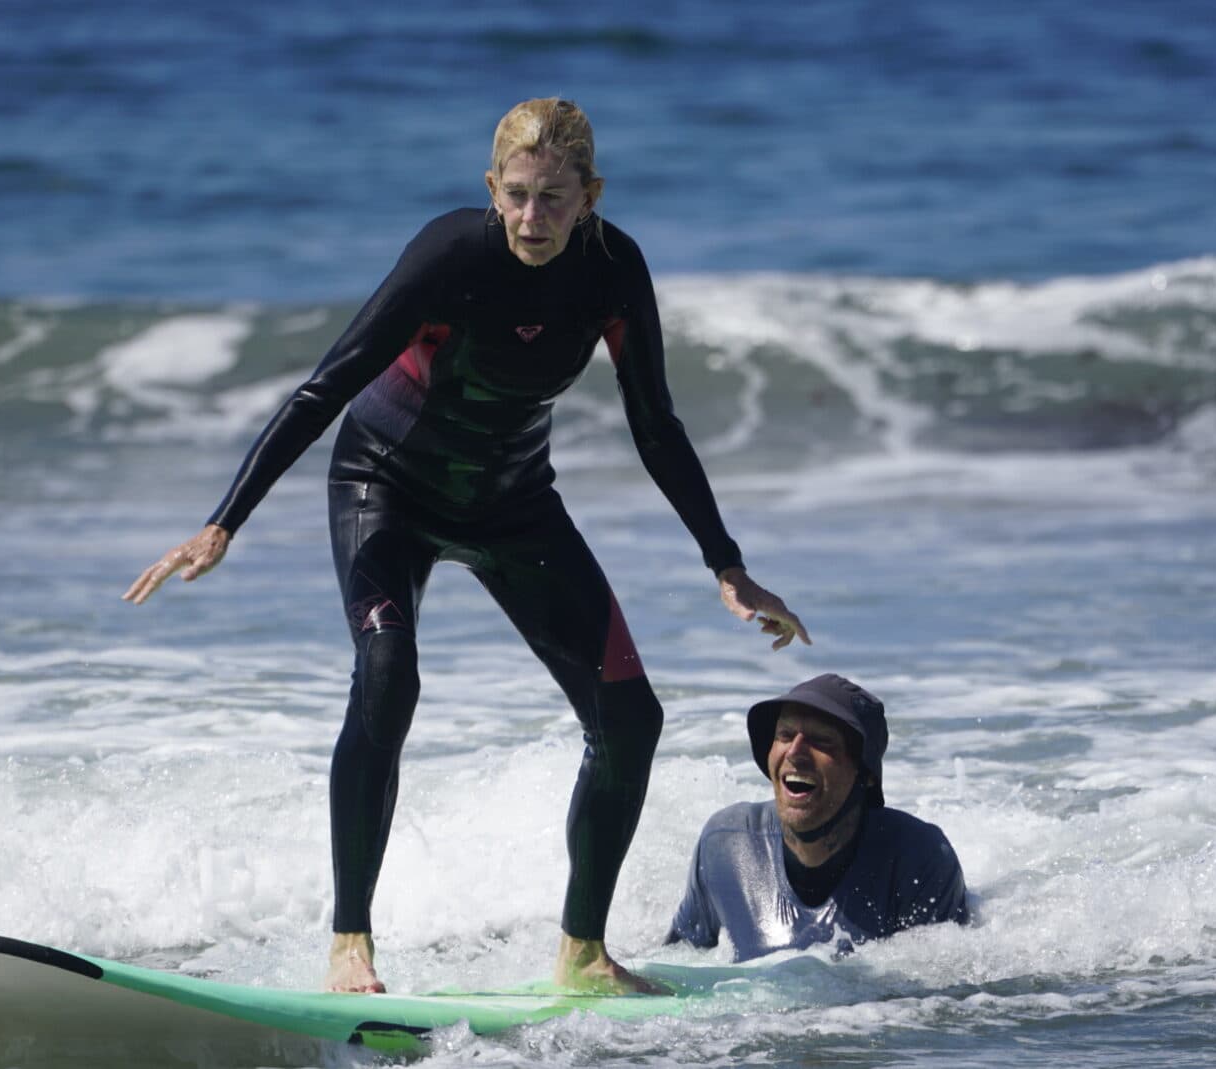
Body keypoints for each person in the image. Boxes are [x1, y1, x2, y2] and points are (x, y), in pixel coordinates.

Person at [124, 97, 810, 995]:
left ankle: (582, 951)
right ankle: (349, 943)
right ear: (491, 188)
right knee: (388, 671)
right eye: (517, 196)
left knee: (631, 718)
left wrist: (726, 561)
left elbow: (656, 425)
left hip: (513, 500)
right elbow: (328, 384)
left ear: (590, 196)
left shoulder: (612, 271)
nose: (533, 219)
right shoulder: (453, 255)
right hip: (386, 487)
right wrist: (225, 521)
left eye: (555, 200)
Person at [666, 674, 968, 961]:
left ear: (866, 774)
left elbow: (938, 998)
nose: (795, 753)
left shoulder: (917, 859)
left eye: (821, 741)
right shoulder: (727, 845)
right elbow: (673, 970)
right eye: (784, 735)